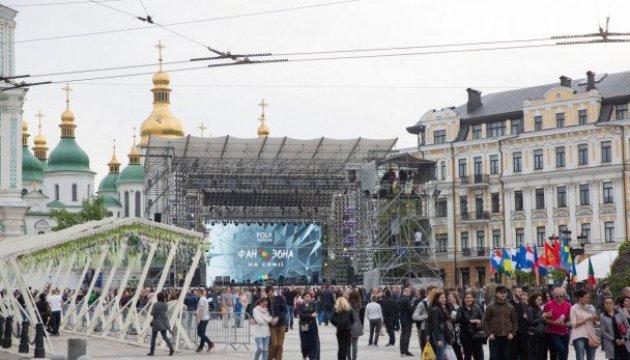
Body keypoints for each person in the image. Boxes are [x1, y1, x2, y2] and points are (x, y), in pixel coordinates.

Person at [482, 285, 518, 360]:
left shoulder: (510, 307)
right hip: (494, 337)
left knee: (505, 356)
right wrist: (489, 334)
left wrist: (512, 333)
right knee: (494, 357)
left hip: (507, 337)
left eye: (504, 293)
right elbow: (485, 321)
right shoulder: (490, 306)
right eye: (501, 293)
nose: (503, 294)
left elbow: (514, 321)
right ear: (496, 294)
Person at [543, 287, 571, 360]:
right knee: (560, 350)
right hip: (553, 333)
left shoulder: (568, 305)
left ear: (564, 296)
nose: (559, 298)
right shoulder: (548, 305)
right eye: (556, 297)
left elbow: (570, 320)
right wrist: (553, 322)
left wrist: (566, 324)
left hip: (565, 332)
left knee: (565, 352)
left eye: (561, 296)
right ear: (553, 296)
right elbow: (544, 319)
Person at [570, 289, 598, 360]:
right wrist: (586, 319)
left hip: (591, 335)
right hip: (579, 335)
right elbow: (574, 324)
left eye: (588, 298)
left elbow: (594, 323)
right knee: (580, 357)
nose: (587, 299)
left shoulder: (591, 307)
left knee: (591, 357)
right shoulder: (574, 308)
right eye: (585, 298)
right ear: (580, 298)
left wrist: (595, 319)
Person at [457, 292, 484, 360]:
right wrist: (471, 321)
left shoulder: (477, 307)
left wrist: (480, 321)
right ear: (464, 299)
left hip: (477, 333)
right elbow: (459, 319)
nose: (469, 299)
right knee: (467, 354)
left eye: (470, 298)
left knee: (478, 354)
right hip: (465, 334)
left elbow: (483, 317)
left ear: (473, 299)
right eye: (467, 298)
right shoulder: (460, 308)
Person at [429, 290, 455, 360]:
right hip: (439, 334)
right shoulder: (435, 309)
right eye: (442, 298)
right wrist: (438, 339)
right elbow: (434, 325)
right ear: (437, 299)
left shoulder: (441, 307)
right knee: (440, 354)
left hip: (443, 333)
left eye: (444, 297)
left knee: (442, 354)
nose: (444, 299)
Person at [147, 293, 174, 357]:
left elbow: (152, 313)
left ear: (157, 297)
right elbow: (165, 311)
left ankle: (152, 352)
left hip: (156, 322)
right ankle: (171, 348)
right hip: (164, 322)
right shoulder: (165, 304)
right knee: (165, 336)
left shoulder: (155, 304)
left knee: (153, 337)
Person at [266, 286, 287, 360]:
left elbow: (285, 310)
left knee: (280, 345)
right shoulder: (267, 301)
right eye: (268, 295)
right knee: (274, 344)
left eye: (271, 294)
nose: (270, 296)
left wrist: (278, 317)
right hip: (272, 326)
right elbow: (258, 305)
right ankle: (269, 358)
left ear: (273, 291)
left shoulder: (280, 298)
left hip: (282, 324)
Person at [297, 292, 319, 360]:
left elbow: (315, 314)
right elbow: (300, 315)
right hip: (304, 325)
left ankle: (312, 357)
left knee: (313, 342)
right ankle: (305, 355)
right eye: (306, 297)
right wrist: (310, 315)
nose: (308, 298)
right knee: (305, 342)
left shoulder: (314, 304)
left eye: (309, 297)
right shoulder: (300, 305)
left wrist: (307, 315)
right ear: (303, 297)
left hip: (312, 325)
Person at [526, 293, 547, 360]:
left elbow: (542, 321)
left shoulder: (539, 308)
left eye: (541, 300)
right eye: (538, 300)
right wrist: (542, 317)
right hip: (533, 334)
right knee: (534, 353)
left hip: (540, 333)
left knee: (540, 353)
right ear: (534, 300)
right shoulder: (530, 309)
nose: (540, 301)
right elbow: (531, 322)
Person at [508, 286, 527, 360]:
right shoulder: (509, 304)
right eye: (518, 291)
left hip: (522, 333)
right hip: (513, 334)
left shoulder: (523, 304)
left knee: (522, 354)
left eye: (521, 291)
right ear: (513, 292)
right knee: (513, 354)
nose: (521, 293)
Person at [195, 288, 214, 352]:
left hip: (202, 318)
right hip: (206, 318)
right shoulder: (204, 299)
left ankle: (210, 343)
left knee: (200, 333)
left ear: (199, 292)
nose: (196, 293)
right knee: (202, 333)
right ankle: (201, 347)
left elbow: (201, 309)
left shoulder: (202, 299)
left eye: (197, 292)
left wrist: (198, 317)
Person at [398, 287, 414, 357]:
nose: (410, 294)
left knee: (402, 334)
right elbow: (410, 309)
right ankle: (405, 351)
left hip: (401, 318)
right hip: (408, 319)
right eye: (410, 292)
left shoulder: (399, 298)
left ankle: (402, 351)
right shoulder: (407, 299)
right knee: (407, 335)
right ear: (407, 291)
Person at [348, 290, 364, 360]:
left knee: (348, 344)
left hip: (350, 326)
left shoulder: (349, 306)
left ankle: (349, 358)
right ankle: (354, 358)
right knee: (355, 344)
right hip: (358, 325)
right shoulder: (359, 305)